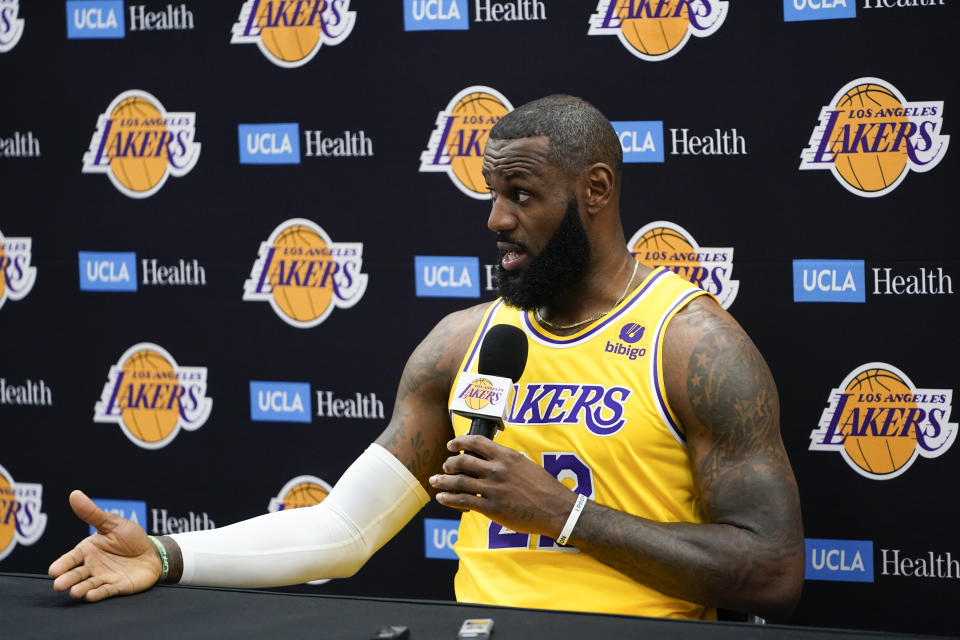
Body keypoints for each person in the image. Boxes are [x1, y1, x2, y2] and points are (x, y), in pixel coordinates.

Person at [49, 95, 804, 621]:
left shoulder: (693, 345)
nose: (496, 218)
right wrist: (165, 553)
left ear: (595, 190)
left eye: (522, 194)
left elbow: (770, 572)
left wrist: (564, 515)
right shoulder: (462, 342)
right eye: (492, 192)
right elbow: (342, 532)